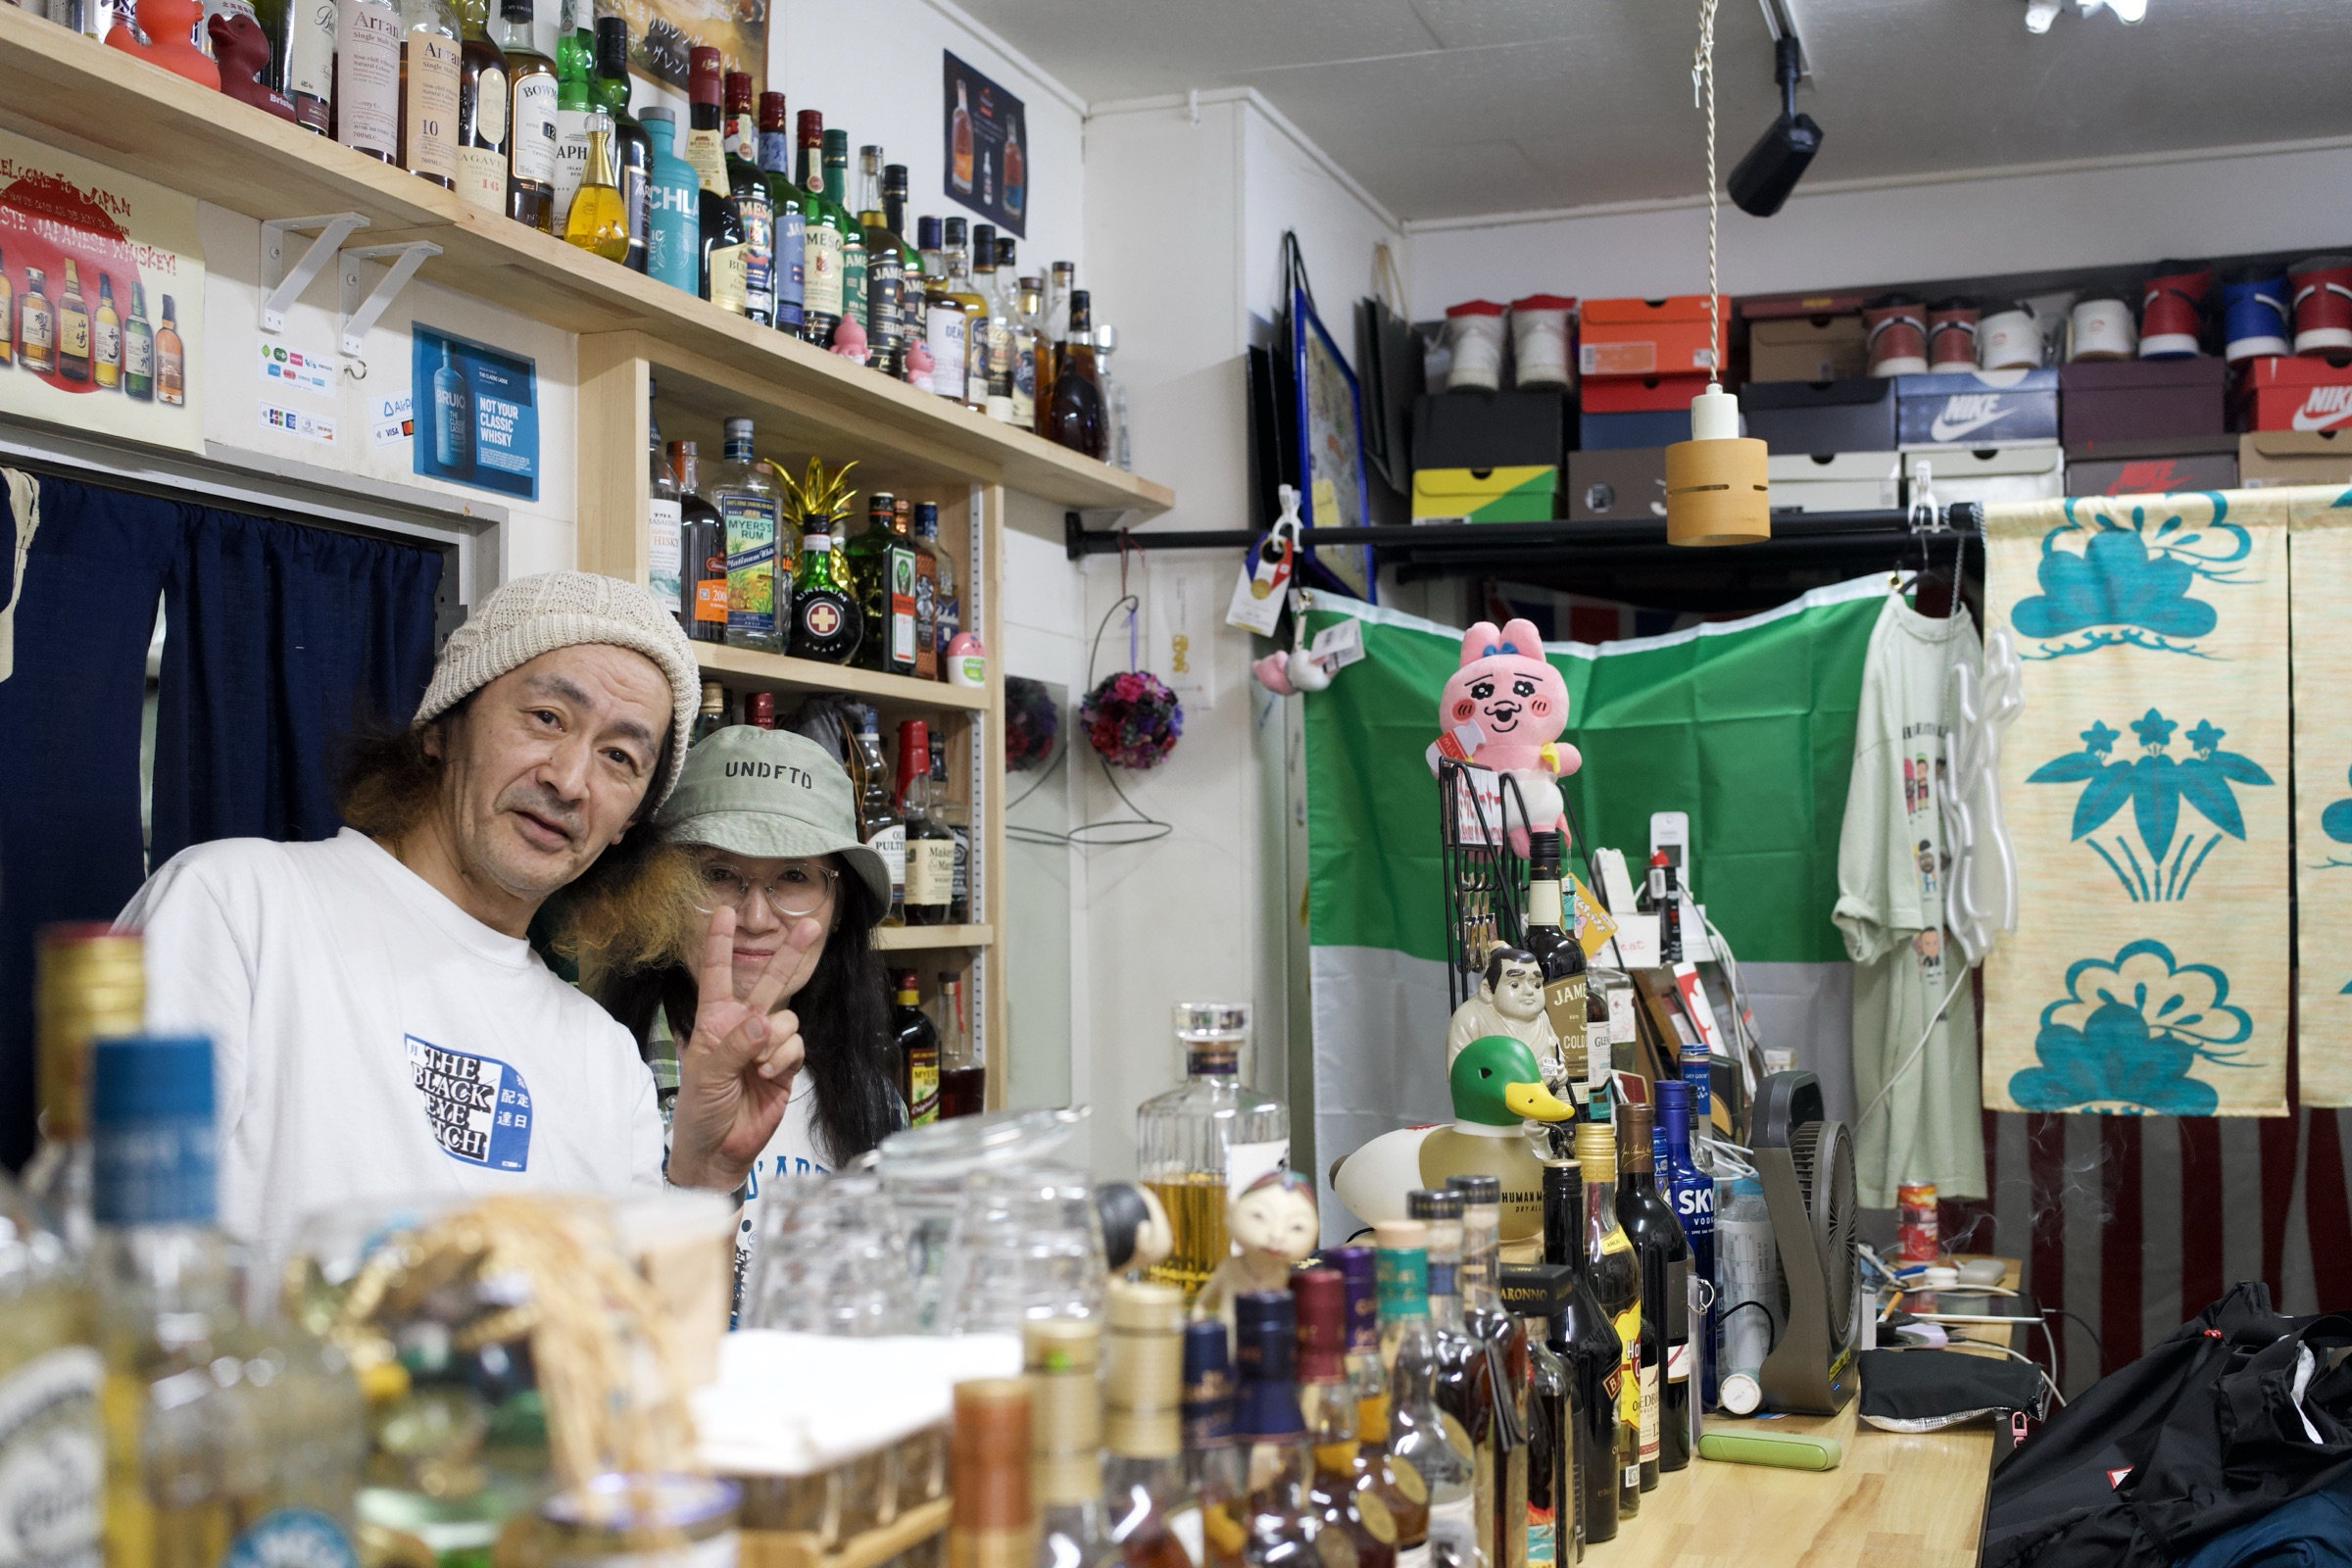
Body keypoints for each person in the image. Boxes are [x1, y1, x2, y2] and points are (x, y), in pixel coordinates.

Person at [117, 572, 806, 1271]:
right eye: (546, 718)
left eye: (620, 758)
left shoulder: (602, 1059)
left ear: (628, 825)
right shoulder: (234, 908)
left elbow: (639, 1350)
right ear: (443, 725)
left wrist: (706, 1178)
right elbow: (118, 1259)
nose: (569, 780)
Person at [558, 724, 900, 1279]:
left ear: (839, 911)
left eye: (793, 876)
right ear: (661, 895)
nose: (756, 918)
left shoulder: (872, 1098)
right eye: (719, 874)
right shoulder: (594, 1075)